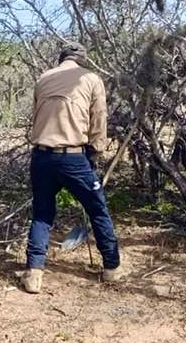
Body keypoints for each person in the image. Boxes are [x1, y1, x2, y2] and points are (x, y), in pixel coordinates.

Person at [23, 41, 122, 293]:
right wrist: (97, 149)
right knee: (97, 209)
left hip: (41, 156)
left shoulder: (44, 78)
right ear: (81, 60)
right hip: (74, 158)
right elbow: (98, 117)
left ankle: (34, 272)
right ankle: (111, 268)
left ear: (62, 59)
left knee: (42, 213)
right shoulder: (90, 78)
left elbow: (35, 115)